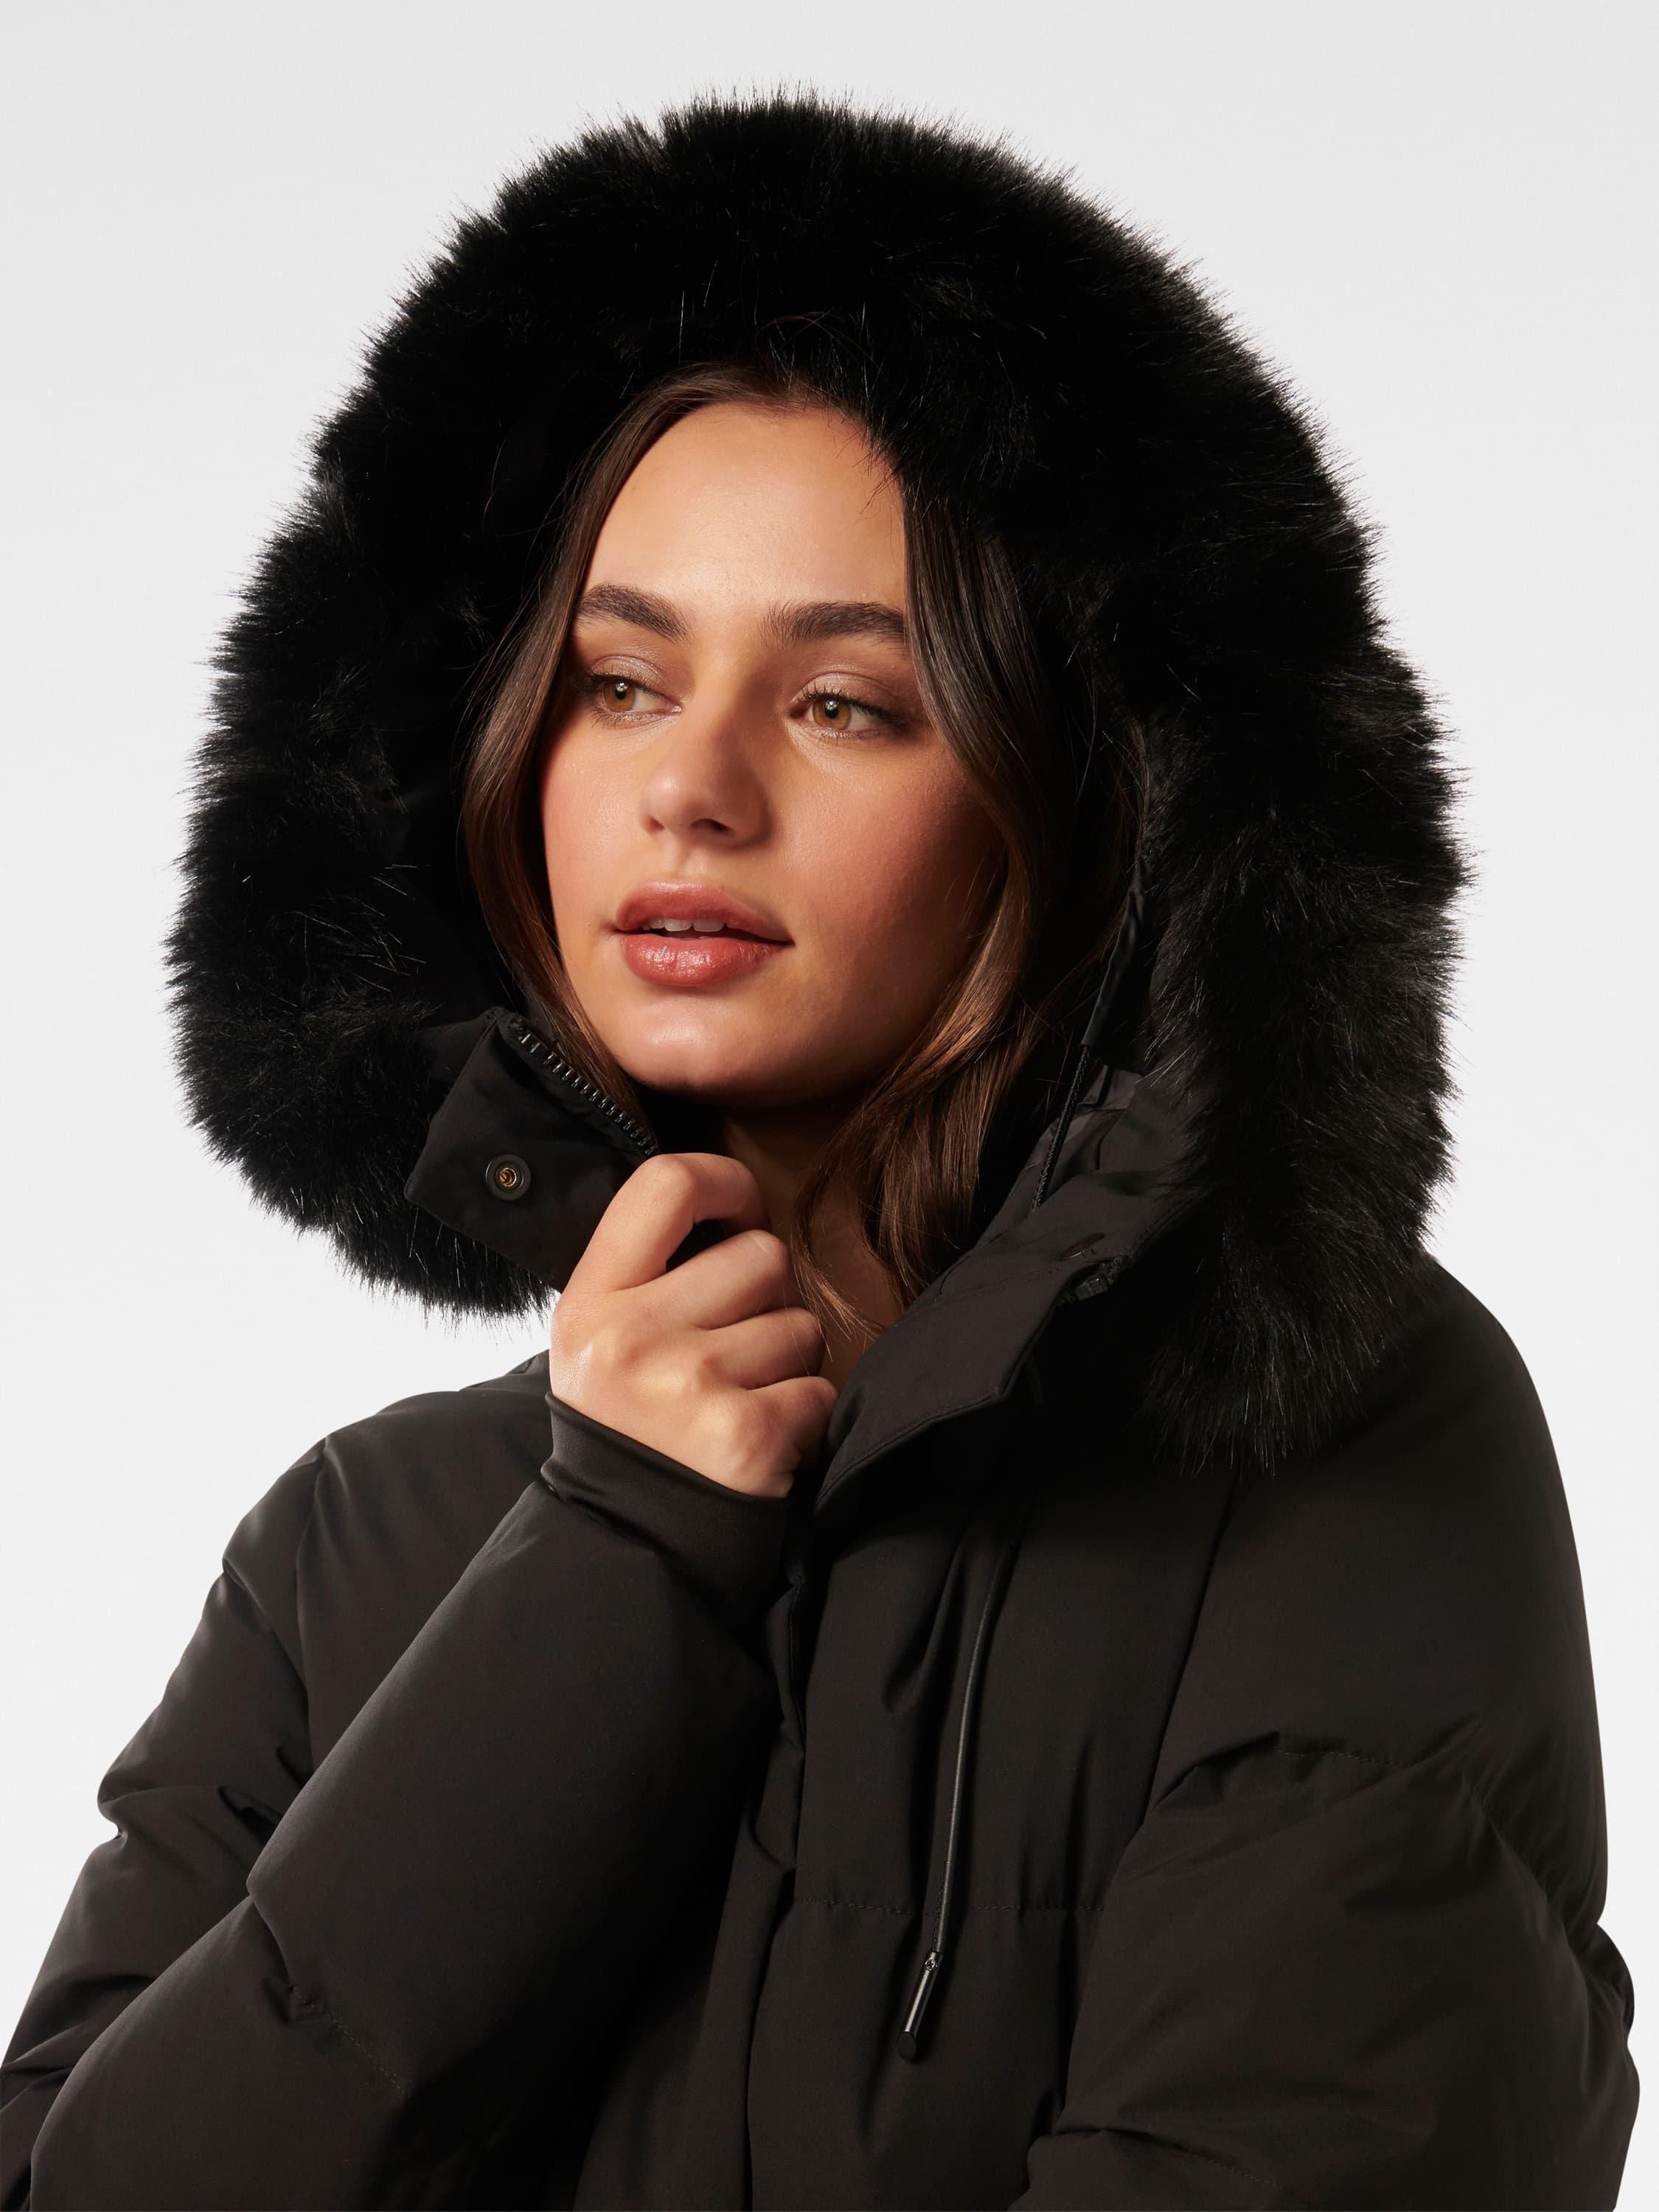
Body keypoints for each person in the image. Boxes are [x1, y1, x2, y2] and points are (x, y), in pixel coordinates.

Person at [0, 86, 1637, 2212]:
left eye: (846, 703)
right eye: (616, 680)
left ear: (1079, 799)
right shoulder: (354, 1547)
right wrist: (613, 1561)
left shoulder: (1324, 1438)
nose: (691, 787)